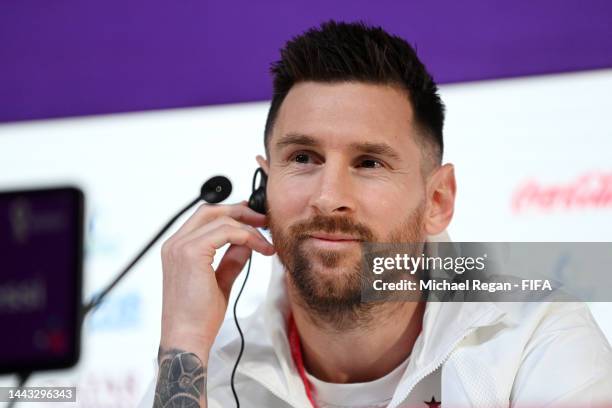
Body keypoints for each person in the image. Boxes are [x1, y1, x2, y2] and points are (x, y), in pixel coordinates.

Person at [140, 20, 612, 407]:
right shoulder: (205, 369)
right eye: (303, 158)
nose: (328, 198)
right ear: (263, 189)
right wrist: (182, 340)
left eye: (369, 163)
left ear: (437, 201)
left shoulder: (532, 330)